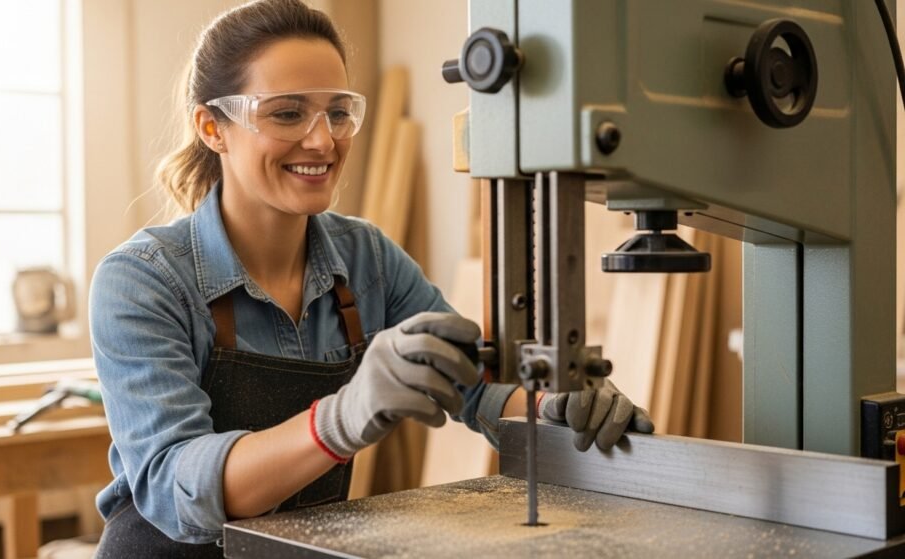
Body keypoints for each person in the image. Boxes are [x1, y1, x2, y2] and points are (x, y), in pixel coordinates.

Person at [89, 0, 654, 556]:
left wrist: (552, 408)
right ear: (212, 127)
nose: (323, 140)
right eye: (287, 114)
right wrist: (341, 419)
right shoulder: (142, 281)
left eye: (338, 112)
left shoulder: (368, 260)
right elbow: (176, 488)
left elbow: (475, 385)